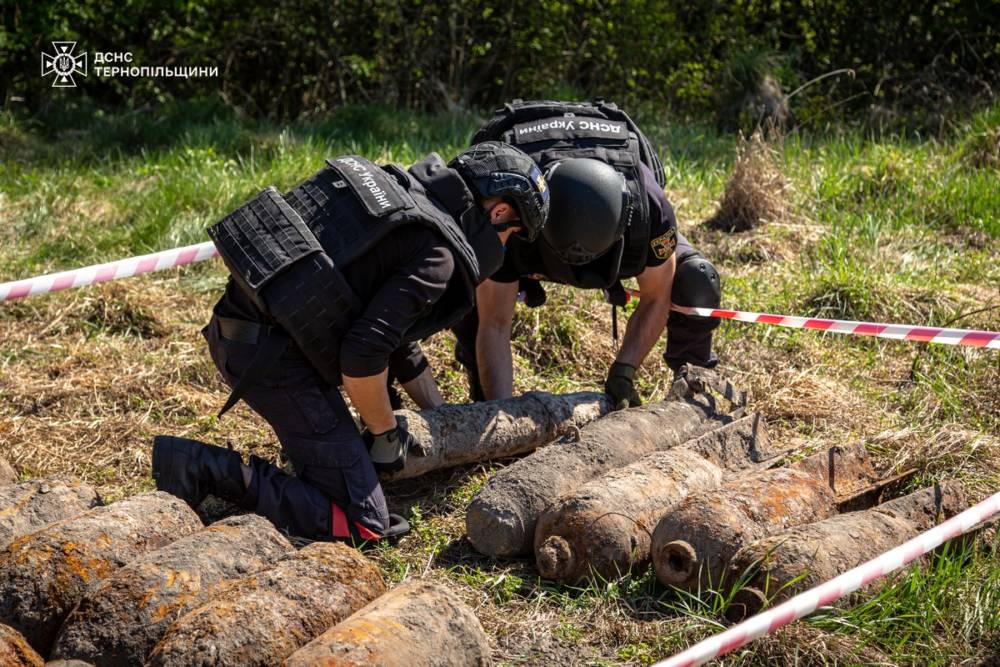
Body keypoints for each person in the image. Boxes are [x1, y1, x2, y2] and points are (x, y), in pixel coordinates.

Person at [152, 142, 549, 543]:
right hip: (272, 360)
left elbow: (392, 338)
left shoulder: (402, 193)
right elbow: (363, 355)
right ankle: (200, 468)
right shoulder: (438, 255)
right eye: (512, 234)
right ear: (499, 212)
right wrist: (385, 434)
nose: (504, 246)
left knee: (355, 465)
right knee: (365, 523)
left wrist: (440, 413)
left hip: (242, 330)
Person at [452, 100, 722, 409]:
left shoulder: (649, 207)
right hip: (530, 230)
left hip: (613, 222)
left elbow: (656, 297)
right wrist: (500, 411)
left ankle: (694, 393)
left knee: (698, 279)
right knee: (467, 277)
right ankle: (482, 396)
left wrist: (624, 371)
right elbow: (494, 323)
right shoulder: (513, 208)